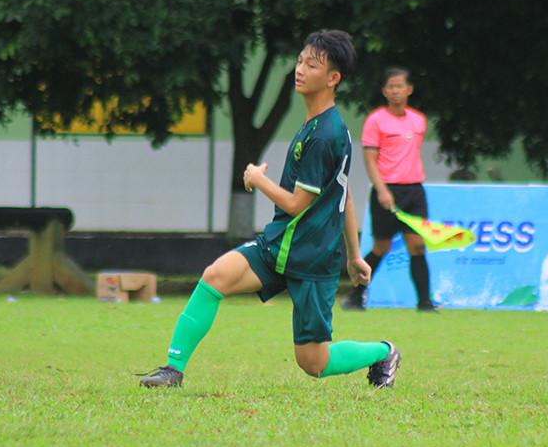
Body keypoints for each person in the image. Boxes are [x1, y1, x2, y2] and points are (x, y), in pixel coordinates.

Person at [139, 30, 401, 389]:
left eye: (312, 65)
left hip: (312, 257)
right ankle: (173, 369)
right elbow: (345, 195)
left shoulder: (326, 134)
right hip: (279, 246)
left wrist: (256, 178)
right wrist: (356, 256)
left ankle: (383, 352)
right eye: (299, 61)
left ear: (332, 78)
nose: (299, 69)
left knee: (313, 362)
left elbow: (296, 204)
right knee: (215, 276)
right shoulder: (315, 125)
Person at [340, 67, 436, 312]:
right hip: (387, 191)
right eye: (390, 87)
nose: (395, 91)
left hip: (414, 191)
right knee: (381, 247)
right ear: (384, 91)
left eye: (399, 86)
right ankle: (354, 297)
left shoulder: (418, 120)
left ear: (409, 89)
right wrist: (382, 190)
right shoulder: (375, 121)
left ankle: (425, 303)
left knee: (417, 246)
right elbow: (370, 159)